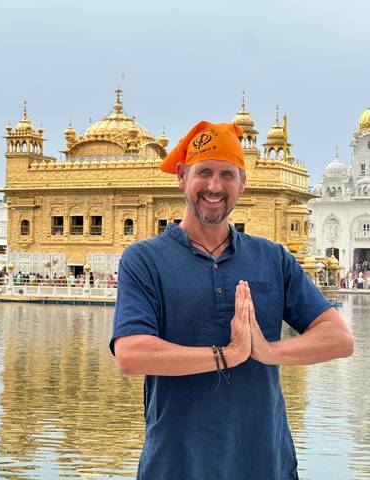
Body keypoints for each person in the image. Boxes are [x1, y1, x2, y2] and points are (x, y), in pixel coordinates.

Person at [110, 121, 354, 480]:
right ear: (181, 177)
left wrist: (267, 352)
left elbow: (339, 339)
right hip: (177, 465)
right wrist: (226, 355)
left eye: (227, 174)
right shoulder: (145, 260)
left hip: (264, 463)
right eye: (203, 172)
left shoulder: (272, 258)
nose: (214, 186)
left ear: (242, 184)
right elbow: (131, 355)